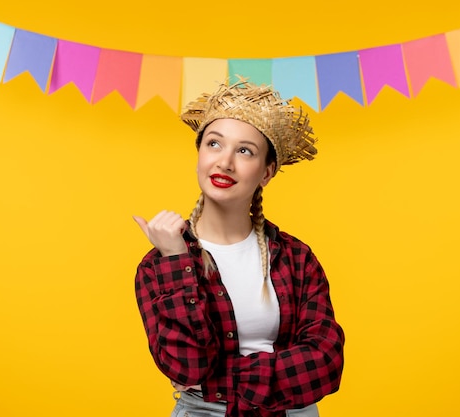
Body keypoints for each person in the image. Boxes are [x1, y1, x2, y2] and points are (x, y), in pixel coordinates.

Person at [133, 78, 345, 417]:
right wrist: (176, 259)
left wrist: (220, 380)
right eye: (214, 144)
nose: (225, 162)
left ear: (267, 172)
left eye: (245, 151)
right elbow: (186, 368)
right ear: (200, 154)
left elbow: (326, 362)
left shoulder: (296, 258)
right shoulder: (160, 263)